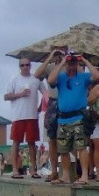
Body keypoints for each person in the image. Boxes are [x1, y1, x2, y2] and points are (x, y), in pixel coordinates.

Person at [48, 51, 99, 184]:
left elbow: (97, 76)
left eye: (73, 63)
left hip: (78, 118)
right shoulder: (61, 77)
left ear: (77, 64)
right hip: (63, 119)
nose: (71, 66)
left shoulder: (83, 77)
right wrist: (62, 62)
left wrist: (84, 60)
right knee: (63, 149)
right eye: (70, 63)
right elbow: (50, 80)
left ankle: (84, 175)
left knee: (81, 147)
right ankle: (65, 175)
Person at [3, 56, 44, 179]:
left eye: (27, 65)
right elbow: (6, 96)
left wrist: (40, 107)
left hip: (32, 115)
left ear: (30, 66)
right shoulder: (14, 79)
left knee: (32, 143)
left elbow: (45, 93)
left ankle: (33, 169)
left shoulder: (36, 79)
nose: (25, 67)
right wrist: (20, 94)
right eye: (22, 65)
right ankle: (15, 169)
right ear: (19, 67)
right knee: (16, 142)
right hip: (18, 116)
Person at [35, 48, 65, 182]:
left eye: (61, 52)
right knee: (51, 139)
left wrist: (67, 59)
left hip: (66, 103)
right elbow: (37, 74)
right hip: (53, 103)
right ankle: (53, 171)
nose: (59, 55)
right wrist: (49, 58)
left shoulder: (70, 66)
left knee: (68, 138)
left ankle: (68, 171)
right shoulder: (50, 67)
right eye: (57, 53)